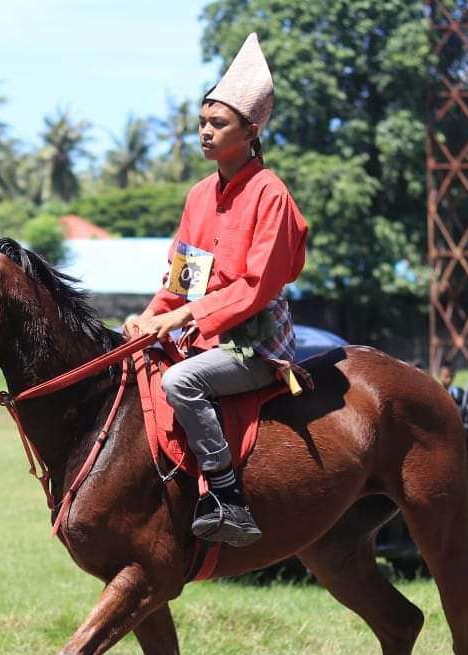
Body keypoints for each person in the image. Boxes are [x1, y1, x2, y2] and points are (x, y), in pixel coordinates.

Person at [123, 33, 308, 547]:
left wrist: (179, 320)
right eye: (202, 122)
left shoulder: (271, 195)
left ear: (250, 131)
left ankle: (229, 498)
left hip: (253, 344)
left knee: (181, 384)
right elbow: (183, 281)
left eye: (218, 123)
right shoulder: (199, 196)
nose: (205, 132)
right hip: (199, 336)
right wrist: (146, 317)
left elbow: (253, 288)